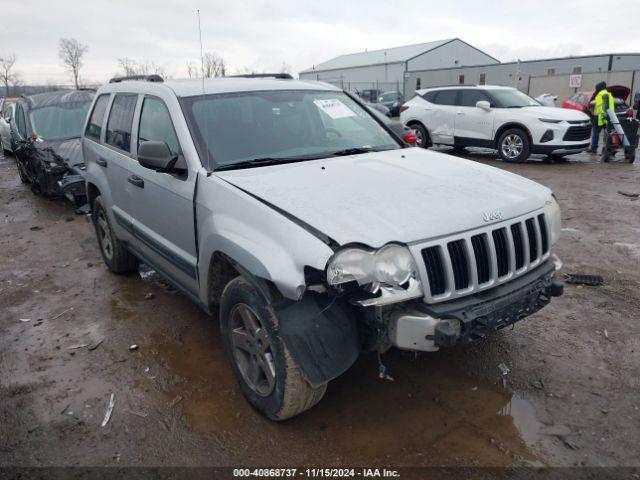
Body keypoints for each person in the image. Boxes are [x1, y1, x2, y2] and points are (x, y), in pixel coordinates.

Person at [587, 81, 614, 154]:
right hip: (608, 117)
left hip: (599, 117)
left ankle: (594, 148)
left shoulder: (599, 95)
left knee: (596, 133)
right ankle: (611, 148)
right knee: (608, 133)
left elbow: (599, 107)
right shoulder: (609, 94)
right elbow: (610, 107)